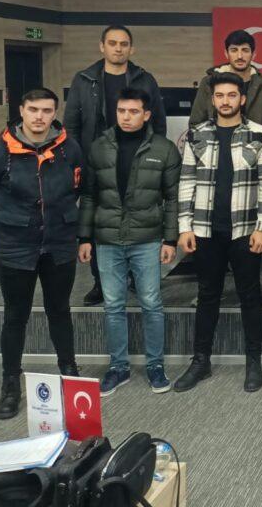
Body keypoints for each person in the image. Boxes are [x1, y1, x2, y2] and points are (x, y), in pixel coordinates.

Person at [0, 89, 84, 420]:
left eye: (47, 110)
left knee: (60, 311)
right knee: (15, 316)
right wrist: (13, 222)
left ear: (55, 113)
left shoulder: (69, 149)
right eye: (33, 109)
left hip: (59, 244)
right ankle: (10, 384)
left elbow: (79, 187)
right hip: (15, 248)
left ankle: (69, 373)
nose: (39, 116)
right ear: (21, 111)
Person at [173, 73, 262, 394]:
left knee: (250, 296)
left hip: (245, 231)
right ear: (212, 99)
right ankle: (200, 361)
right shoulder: (196, 135)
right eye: (220, 96)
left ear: (242, 99)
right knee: (207, 295)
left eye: (232, 95)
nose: (226, 101)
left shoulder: (261, 135)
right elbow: (186, 182)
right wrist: (184, 227)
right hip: (206, 230)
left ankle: (253, 362)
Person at [77, 88, 180, 396]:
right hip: (107, 239)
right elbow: (89, 196)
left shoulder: (163, 149)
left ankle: (155, 365)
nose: (126, 117)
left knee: (151, 303)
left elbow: (173, 199)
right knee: (113, 305)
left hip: (147, 238)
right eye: (121, 111)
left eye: (133, 112)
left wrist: (170, 239)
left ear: (146, 115)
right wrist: (84, 237)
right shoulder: (99, 148)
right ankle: (118, 367)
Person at [65, 25, 168, 306]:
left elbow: (159, 121)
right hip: (96, 162)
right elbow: (71, 126)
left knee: (138, 219)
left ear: (131, 48)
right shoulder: (84, 80)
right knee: (100, 223)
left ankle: (135, 278)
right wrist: (76, 162)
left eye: (124, 44)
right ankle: (101, 282)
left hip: (138, 160)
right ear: (102, 46)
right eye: (112, 43)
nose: (118, 48)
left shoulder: (145, 79)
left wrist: (157, 156)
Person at [190, 29, 262, 126]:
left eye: (245, 50)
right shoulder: (208, 82)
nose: (240, 56)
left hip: (257, 136)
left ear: (253, 55)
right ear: (226, 53)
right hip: (216, 136)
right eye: (234, 50)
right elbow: (196, 124)